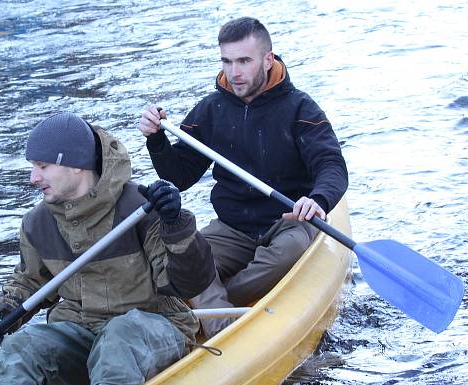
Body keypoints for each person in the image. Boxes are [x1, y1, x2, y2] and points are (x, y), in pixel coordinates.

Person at [0, 112, 216, 385]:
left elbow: (188, 284)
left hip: (153, 326)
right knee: (20, 347)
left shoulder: (141, 208)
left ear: (76, 166)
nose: (33, 178)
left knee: (120, 338)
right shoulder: (38, 223)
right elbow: (27, 284)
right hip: (82, 333)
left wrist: (174, 223)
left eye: (43, 167)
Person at [138, 17, 348, 337]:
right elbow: (178, 176)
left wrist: (317, 200)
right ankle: (223, 324)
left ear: (268, 59)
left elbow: (331, 164)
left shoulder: (300, 108)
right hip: (232, 226)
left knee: (288, 253)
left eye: (244, 61)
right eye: (227, 61)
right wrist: (156, 140)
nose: (234, 72)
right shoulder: (211, 109)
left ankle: (212, 301)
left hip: (288, 219)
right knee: (187, 255)